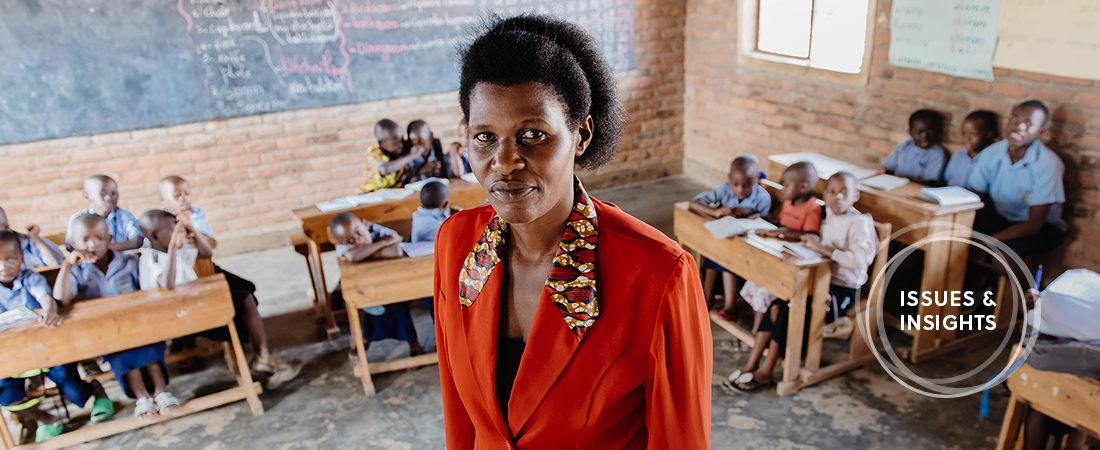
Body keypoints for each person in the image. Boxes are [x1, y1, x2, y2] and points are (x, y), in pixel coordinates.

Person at [434, 15, 711, 448]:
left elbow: (681, 440)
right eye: (485, 137)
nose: (505, 162)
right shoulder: (455, 244)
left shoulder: (659, 275)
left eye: (532, 134)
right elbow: (460, 417)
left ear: (580, 134)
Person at [157, 177, 301, 387]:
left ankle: (260, 353)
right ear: (163, 198)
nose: (183, 199)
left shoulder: (196, 213)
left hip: (204, 271)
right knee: (243, 301)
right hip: (188, 282)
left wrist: (189, 224)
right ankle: (261, 356)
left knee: (247, 289)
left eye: (186, 193)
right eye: (176, 195)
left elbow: (207, 249)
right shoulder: (160, 224)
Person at [53, 214, 177, 420]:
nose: (92, 244)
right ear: (74, 243)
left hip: (138, 324)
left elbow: (147, 289)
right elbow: (62, 298)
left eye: (99, 238)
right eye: (85, 240)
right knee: (121, 355)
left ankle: (161, 392)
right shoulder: (78, 270)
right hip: (106, 332)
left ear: (109, 239)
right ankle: (142, 397)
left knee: (149, 345)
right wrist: (67, 265)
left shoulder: (129, 261)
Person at [0, 231, 114, 442]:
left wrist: (50, 310)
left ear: (21, 258)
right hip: (11, 356)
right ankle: (45, 418)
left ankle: (95, 390)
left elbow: (45, 297)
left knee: (71, 386)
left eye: (10, 259)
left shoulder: (30, 278)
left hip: (46, 349)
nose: (3, 266)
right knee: (6, 395)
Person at [731, 161, 823, 389]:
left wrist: (778, 233)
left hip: (798, 269)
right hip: (779, 260)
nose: (782, 190)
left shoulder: (813, 208)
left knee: (776, 305)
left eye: (786, 185)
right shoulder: (789, 202)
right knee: (760, 285)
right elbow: (777, 223)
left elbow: (808, 235)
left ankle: (765, 365)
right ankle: (753, 361)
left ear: (802, 186)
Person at [968, 100, 1066, 259]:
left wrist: (991, 241)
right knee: (955, 232)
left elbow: (1034, 224)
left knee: (1004, 256)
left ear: (1040, 131)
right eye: (1015, 120)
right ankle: (974, 280)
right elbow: (974, 198)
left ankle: (1024, 285)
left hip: (1040, 227)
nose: (1019, 127)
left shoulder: (1048, 164)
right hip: (1001, 217)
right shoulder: (992, 153)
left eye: (1028, 124)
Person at [328, 212, 423, 359]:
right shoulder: (347, 246)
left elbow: (396, 251)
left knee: (398, 311)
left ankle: (413, 343)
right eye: (351, 242)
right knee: (372, 310)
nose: (358, 240)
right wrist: (383, 244)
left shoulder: (378, 230)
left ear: (365, 224)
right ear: (342, 244)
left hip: (395, 285)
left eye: (359, 233)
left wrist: (363, 253)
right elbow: (353, 256)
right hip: (367, 290)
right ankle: (365, 340)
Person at [688, 156, 771, 321]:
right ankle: (707, 297)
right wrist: (715, 212)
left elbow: (765, 225)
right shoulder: (724, 190)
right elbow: (693, 203)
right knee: (712, 256)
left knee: (726, 260)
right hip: (724, 241)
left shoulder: (762, 198)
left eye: (746, 185)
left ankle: (730, 307)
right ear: (729, 180)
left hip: (745, 248)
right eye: (736, 184)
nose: (740, 190)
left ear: (756, 179)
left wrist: (750, 215)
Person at [799, 172, 878, 338]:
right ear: (825, 196)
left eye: (845, 192)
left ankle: (799, 353)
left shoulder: (860, 223)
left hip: (845, 288)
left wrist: (822, 248)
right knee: (790, 301)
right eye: (832, 192)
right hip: (824, 279)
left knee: (806, 311)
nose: (838, 196)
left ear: (855, 195)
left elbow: (858, 261)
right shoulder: (831, 214)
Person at [66, 175, 143, 251]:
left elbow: (137, 242)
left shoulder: (124, 216)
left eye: (113, 193)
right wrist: (121, 245)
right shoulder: (77, 219)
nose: (109, 197)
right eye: (102, 193)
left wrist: (100, 249)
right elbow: (71, 247)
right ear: (87, 196)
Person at [358, 119, 428, 193]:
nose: (401, 145)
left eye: (401, 140)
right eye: (395, 143)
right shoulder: (374, 155)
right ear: (381, 143)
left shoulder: (400, 150)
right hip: (371, 195)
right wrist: (411, 156)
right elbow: (384, 169)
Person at [884, 109, 947, 185]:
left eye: (930, 132)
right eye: (919, 132)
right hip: (894, 186)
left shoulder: (937, 153)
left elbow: (930, 182)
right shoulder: (904, 146)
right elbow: (888, 169)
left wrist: (903, 178)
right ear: (910, 132)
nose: (925, 136)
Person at [944, 110, 999, 188]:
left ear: (988, 135)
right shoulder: (957, 156)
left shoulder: (990, 162)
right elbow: (946, 181)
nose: (967, 138)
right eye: (964, 133)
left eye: (973, 134)